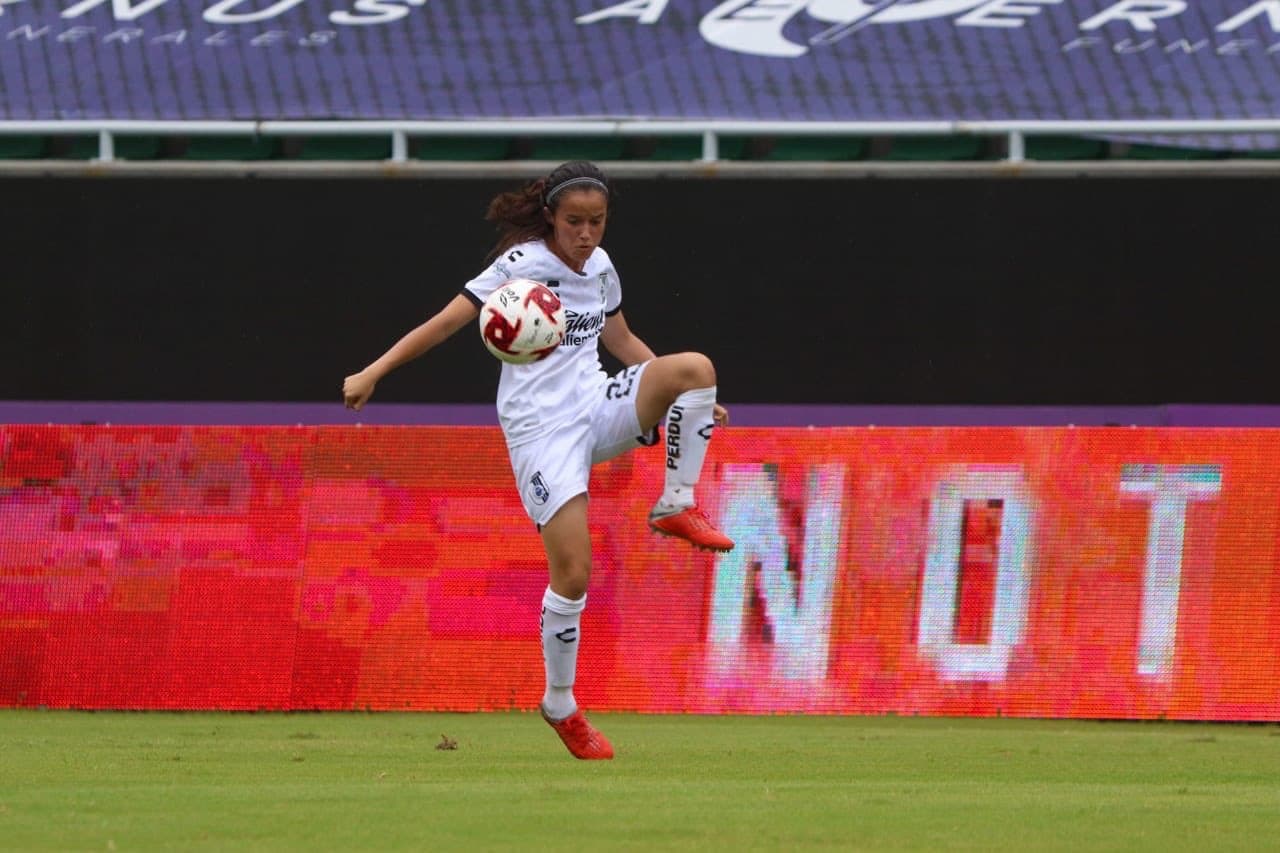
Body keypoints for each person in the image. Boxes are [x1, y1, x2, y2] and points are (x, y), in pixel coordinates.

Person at [342, 160, 734, 761]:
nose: (586, 233)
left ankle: (675, 503)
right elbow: (446, 324)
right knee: (574, 573)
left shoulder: (600, 268)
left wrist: (686, 395)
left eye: (597, 221)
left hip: (596, 404)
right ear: (551, 217)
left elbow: (621, 342)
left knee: (696, 369)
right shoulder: (520, 266)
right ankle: (560, 703)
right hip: (541, 432)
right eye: (574, 221)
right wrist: (374, 371)